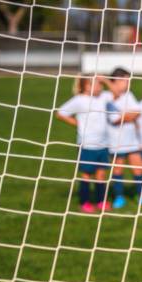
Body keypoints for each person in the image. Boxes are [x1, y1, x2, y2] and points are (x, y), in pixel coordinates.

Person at [56, 75, 111, 213]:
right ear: (85, 86)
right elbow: (60, 113)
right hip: (87, 144)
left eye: (99, 84)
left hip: (103, 143)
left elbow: (117, 92)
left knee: (101, 174)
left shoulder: (104, 97)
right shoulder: (79, 100)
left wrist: (105, 80)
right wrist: (77, 123)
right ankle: (84, 201)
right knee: (87, 173)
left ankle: (101, 201)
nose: (99, 86)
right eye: (95, 84)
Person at [100, 67, 142, 209]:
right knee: (118, 170)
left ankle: (141, 196)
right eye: (126, 80)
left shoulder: (129, 95)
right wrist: (129, 115)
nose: (128, 83)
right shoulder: (107, 96)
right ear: (117, 81)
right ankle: (119, 197)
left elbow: (138, 113)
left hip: (132, 140)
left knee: (138, 169)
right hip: (116, 141)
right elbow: (115, 119)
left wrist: (127, 115)